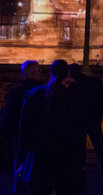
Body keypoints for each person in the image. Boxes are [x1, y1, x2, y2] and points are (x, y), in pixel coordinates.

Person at [17, 59, 87, 195]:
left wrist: (22, 158)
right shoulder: (73, 96)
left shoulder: (33, 94)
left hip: (40, 158)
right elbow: (78, 131)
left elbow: (24, 130)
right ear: (67, 74)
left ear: (51, 73)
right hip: (65, 159)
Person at [70, 63, 103, 193]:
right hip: (94, 121)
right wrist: (100, 115)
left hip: (80, 124)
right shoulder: (94, 81)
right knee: (101, 155)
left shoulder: (73, 87)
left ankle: (80, 186)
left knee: (79, 156)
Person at [2, 60, 42, 190]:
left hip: (18, 136)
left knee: (19, 169)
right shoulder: (40, 91)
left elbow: (8, 114)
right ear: (33, 73)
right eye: (39, 70)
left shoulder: (15, 91)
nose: (40, 73)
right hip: (36, 137)